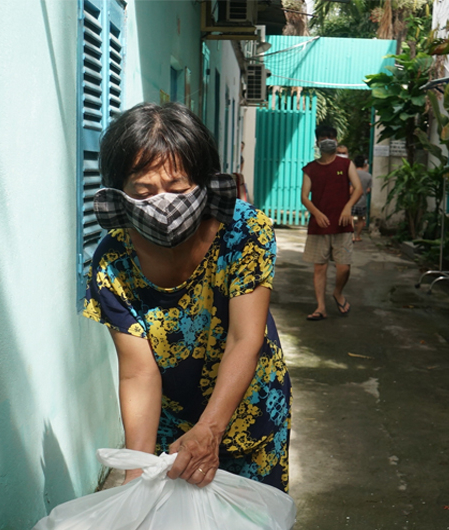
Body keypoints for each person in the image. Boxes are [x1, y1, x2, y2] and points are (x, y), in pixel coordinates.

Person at [84, 102, 293, 493]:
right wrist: (137, 473)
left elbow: (244, 339)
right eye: (144, 192)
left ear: (206, 183)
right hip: (172, 431)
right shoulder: (112, 262)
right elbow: (138, 372)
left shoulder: (243, 231)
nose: (162, 204)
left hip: (252, 413)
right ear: (118, 194)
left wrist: (210, 430)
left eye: (177, 188)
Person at [300, 125, 363, 320]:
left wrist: (347, 207)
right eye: (324, 137)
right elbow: (304, 196)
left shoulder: (346, 165)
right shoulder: (310, 168)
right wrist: (316, 213)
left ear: (336, 139)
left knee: (344, 267)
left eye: (331, 137)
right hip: (319, 226)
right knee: (320, 267)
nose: (328, 140)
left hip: (343, 225)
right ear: (317, 141)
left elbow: (358, 188)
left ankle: (337, 292)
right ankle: (321, 307)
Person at [351, 155, 373, 242]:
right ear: (364, 164)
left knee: (350, 218)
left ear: (354, 163)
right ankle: (358, 236)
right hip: (362, 201)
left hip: (351, 200)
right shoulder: (368, 176)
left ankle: (352, 235)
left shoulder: (351, 173)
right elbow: (368, 189)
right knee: (361, 219)